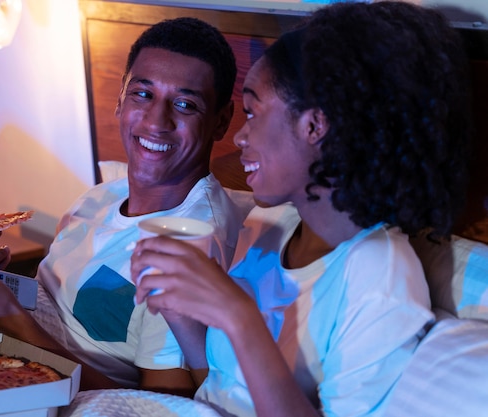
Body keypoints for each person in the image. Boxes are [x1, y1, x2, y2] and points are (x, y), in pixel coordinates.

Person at [131, 2, 472, 416]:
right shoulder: (268, 223)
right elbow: (220, 391)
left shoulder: (378, 276)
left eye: (253, 112)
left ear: (314, 126)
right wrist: (181, 314)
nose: (239, 137)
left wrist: (238, 316)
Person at [0, 17, 245, 395]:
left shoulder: (191, 244)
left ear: (221, 122)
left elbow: (157, 404)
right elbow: (55, 309)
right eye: (142, 94)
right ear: (120, 98)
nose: (156, 121)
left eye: (184, 104)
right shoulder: (95, 200)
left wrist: (9, 318)